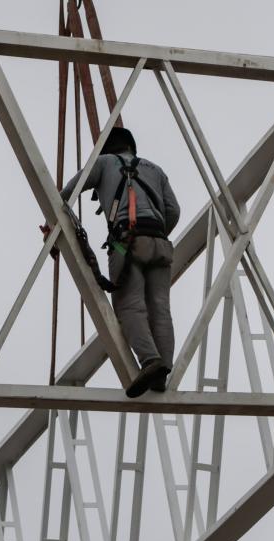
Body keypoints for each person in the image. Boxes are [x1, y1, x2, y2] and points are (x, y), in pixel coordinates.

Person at [56, 126, 181, 398]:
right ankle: (163, 370)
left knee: (129, 305)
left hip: (126, 242)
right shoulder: (155, 169)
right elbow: (173, 211)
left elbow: (68, 191)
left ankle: (150, 361)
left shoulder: (104, 162)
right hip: (159, 242)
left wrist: (52, 223)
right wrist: (154, 230)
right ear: (131, 147)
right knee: (160, 306)